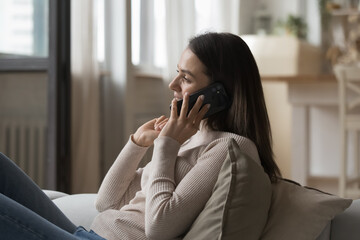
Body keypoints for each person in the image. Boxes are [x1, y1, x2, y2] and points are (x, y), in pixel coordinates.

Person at [0, 32, 281, 240]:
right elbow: (106, 202)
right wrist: (136, 144)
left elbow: (160, 228)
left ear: (219, 93)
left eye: (185, 78)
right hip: (86, 233)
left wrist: (166, 146)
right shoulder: (193, 138)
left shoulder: (229, 147)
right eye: (177, 74)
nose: (172, 85)